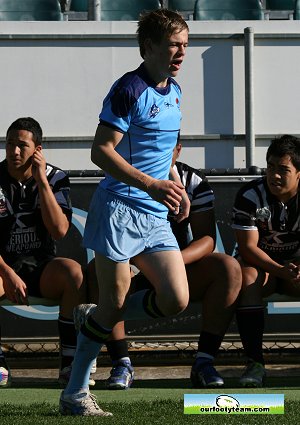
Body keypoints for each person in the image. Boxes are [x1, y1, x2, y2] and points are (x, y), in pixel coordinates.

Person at [59, 8, 190, 417]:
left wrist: (175, 181)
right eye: (174, 44)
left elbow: (165, 148)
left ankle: (95, 317)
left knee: (175, 300)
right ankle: (75, 395)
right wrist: (151, 184)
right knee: (113, 303)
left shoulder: (177, 90)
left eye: (185, 44)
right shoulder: (128, 89)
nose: (181, 52)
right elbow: (101, 151)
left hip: (154, 215)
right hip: (118, 209)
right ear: (148, 47)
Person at [92, 141, 242, 390]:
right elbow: (111, 233)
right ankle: (121, 362)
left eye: (166, 144)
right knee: (98, 274)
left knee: (228, 268)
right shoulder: (126, 176)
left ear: (178, 149)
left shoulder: (192, 180)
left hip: (175, 267)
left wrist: (170, 263)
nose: (158, 150)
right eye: (153, 143)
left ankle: (204, 362)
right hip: (131, 265)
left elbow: (207, 239)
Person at [0, 117, 86, 388]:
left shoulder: (55, 177)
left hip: (41, 265)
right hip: (3, 266)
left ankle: (69, 363)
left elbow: (59, 230)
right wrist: (7, 272)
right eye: (9, 144)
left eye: (22, 146)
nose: (14, 151)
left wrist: (41, 181)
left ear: (38, 149)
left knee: (74, 274)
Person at [232, 134, 300, 387]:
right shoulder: (251, 195)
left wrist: (290, 269)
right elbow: (248, 249)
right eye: (270, 167)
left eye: (283, 169)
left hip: (294, 269)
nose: (275, 175)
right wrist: (279, 270)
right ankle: (255, 363)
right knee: (246, 277)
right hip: (262, 268)